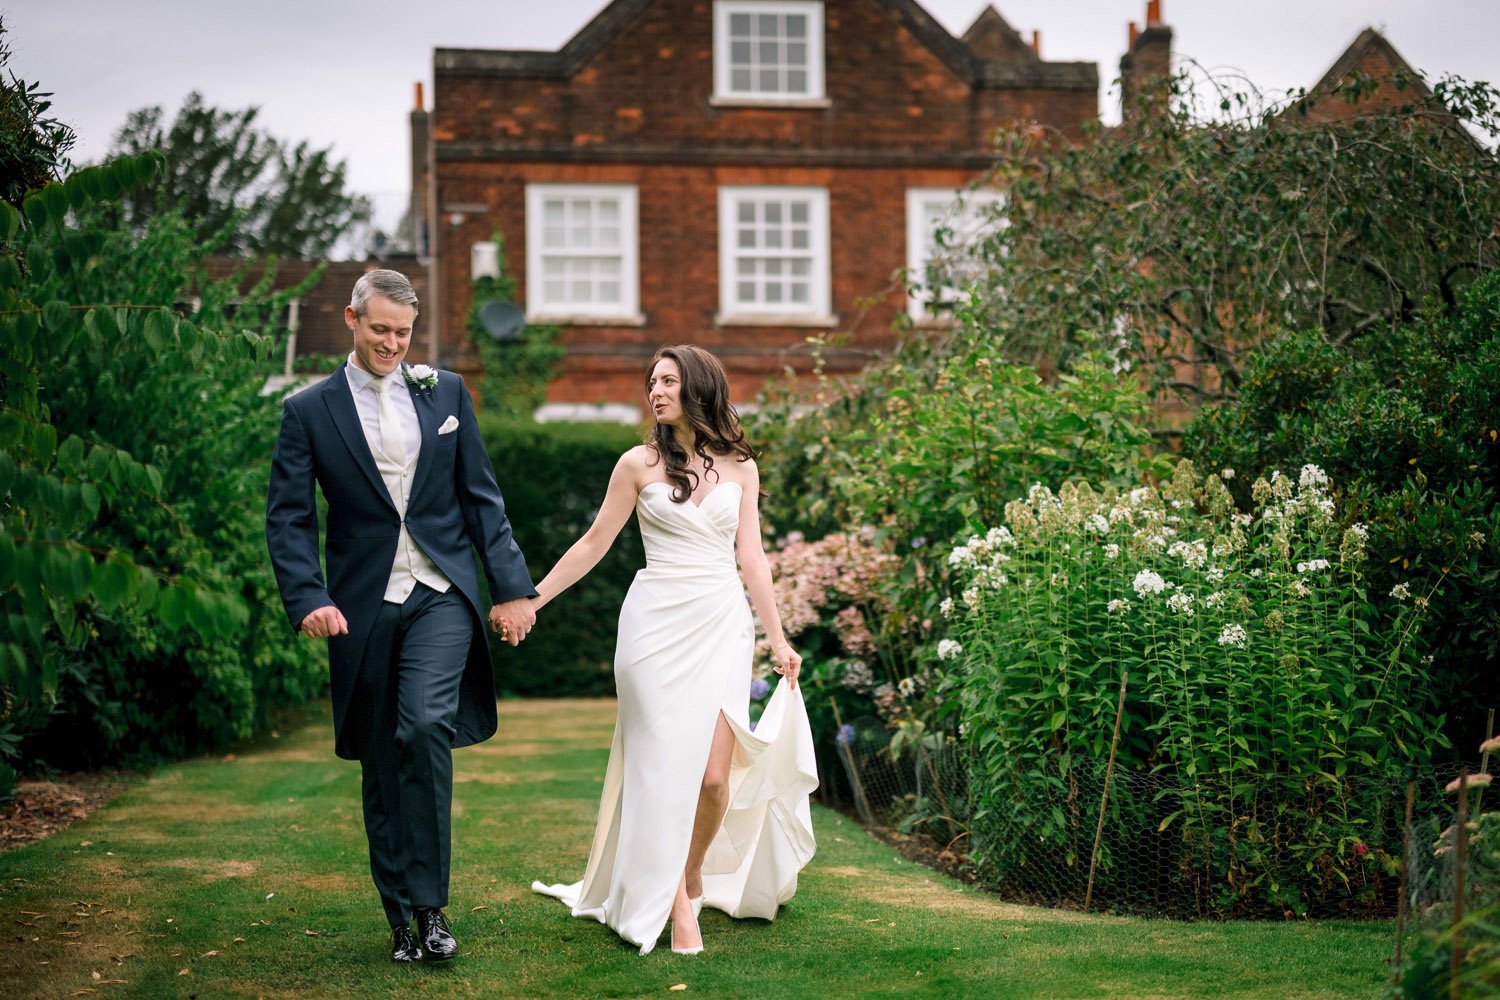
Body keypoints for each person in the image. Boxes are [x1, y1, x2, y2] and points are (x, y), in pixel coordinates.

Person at [265, 269, 537, 963]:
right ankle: (400, 921)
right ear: (351, 319)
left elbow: (483, 499)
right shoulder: (308, 411)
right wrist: (309, 596)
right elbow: (290, 519)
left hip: (440, 594)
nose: (391, 342)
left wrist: (512, 590)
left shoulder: (444, 393)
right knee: (382, 763)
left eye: (403, 331)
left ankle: (434, 911)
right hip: (360, 608)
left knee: (422, 728)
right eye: (379, 328)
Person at [531, 344, 817, 955]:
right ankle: (676, 903)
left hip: (721, 624)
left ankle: (689, 875)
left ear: (699, 387)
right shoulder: (636, 464)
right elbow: (593, 543)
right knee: (661, 771)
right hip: (652, 628)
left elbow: (752, 559)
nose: (656, 391)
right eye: (651, 382)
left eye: (668, 380)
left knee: (715, 777)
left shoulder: (741, 467)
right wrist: (533, 599)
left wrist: (779, 636)